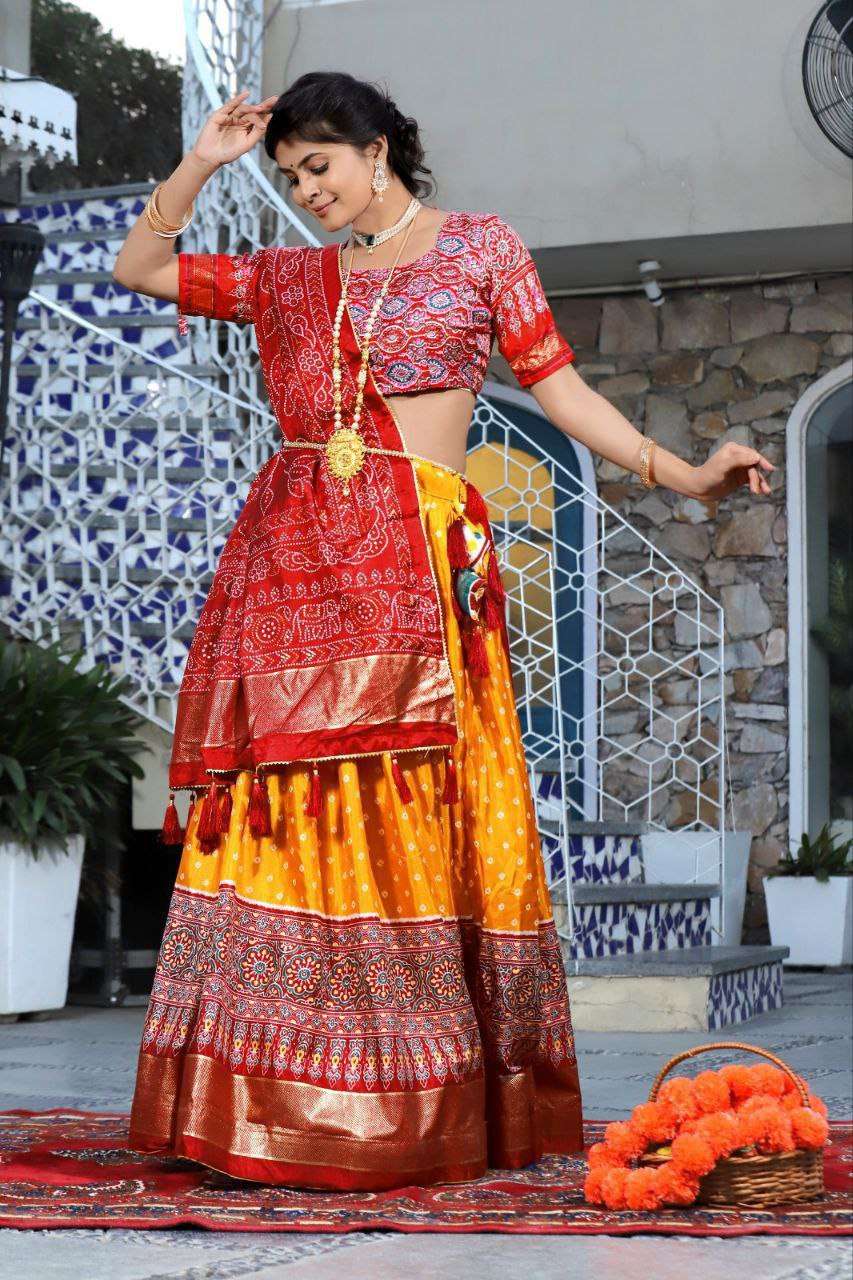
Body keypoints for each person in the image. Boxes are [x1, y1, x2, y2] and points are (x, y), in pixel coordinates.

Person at [112, 70, 774, 1191]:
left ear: (376, 150)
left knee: (410, 807)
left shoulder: (479, 250)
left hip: (421, 564)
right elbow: (141, 267)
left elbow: (561, 391)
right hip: (295, 572)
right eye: (290, 176)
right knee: (288, 812)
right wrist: (203, 164)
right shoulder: (289, 278)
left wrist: (685, 475)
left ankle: (407, 1101)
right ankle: (270, 1098)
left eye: (318, 165)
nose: (306, 191)